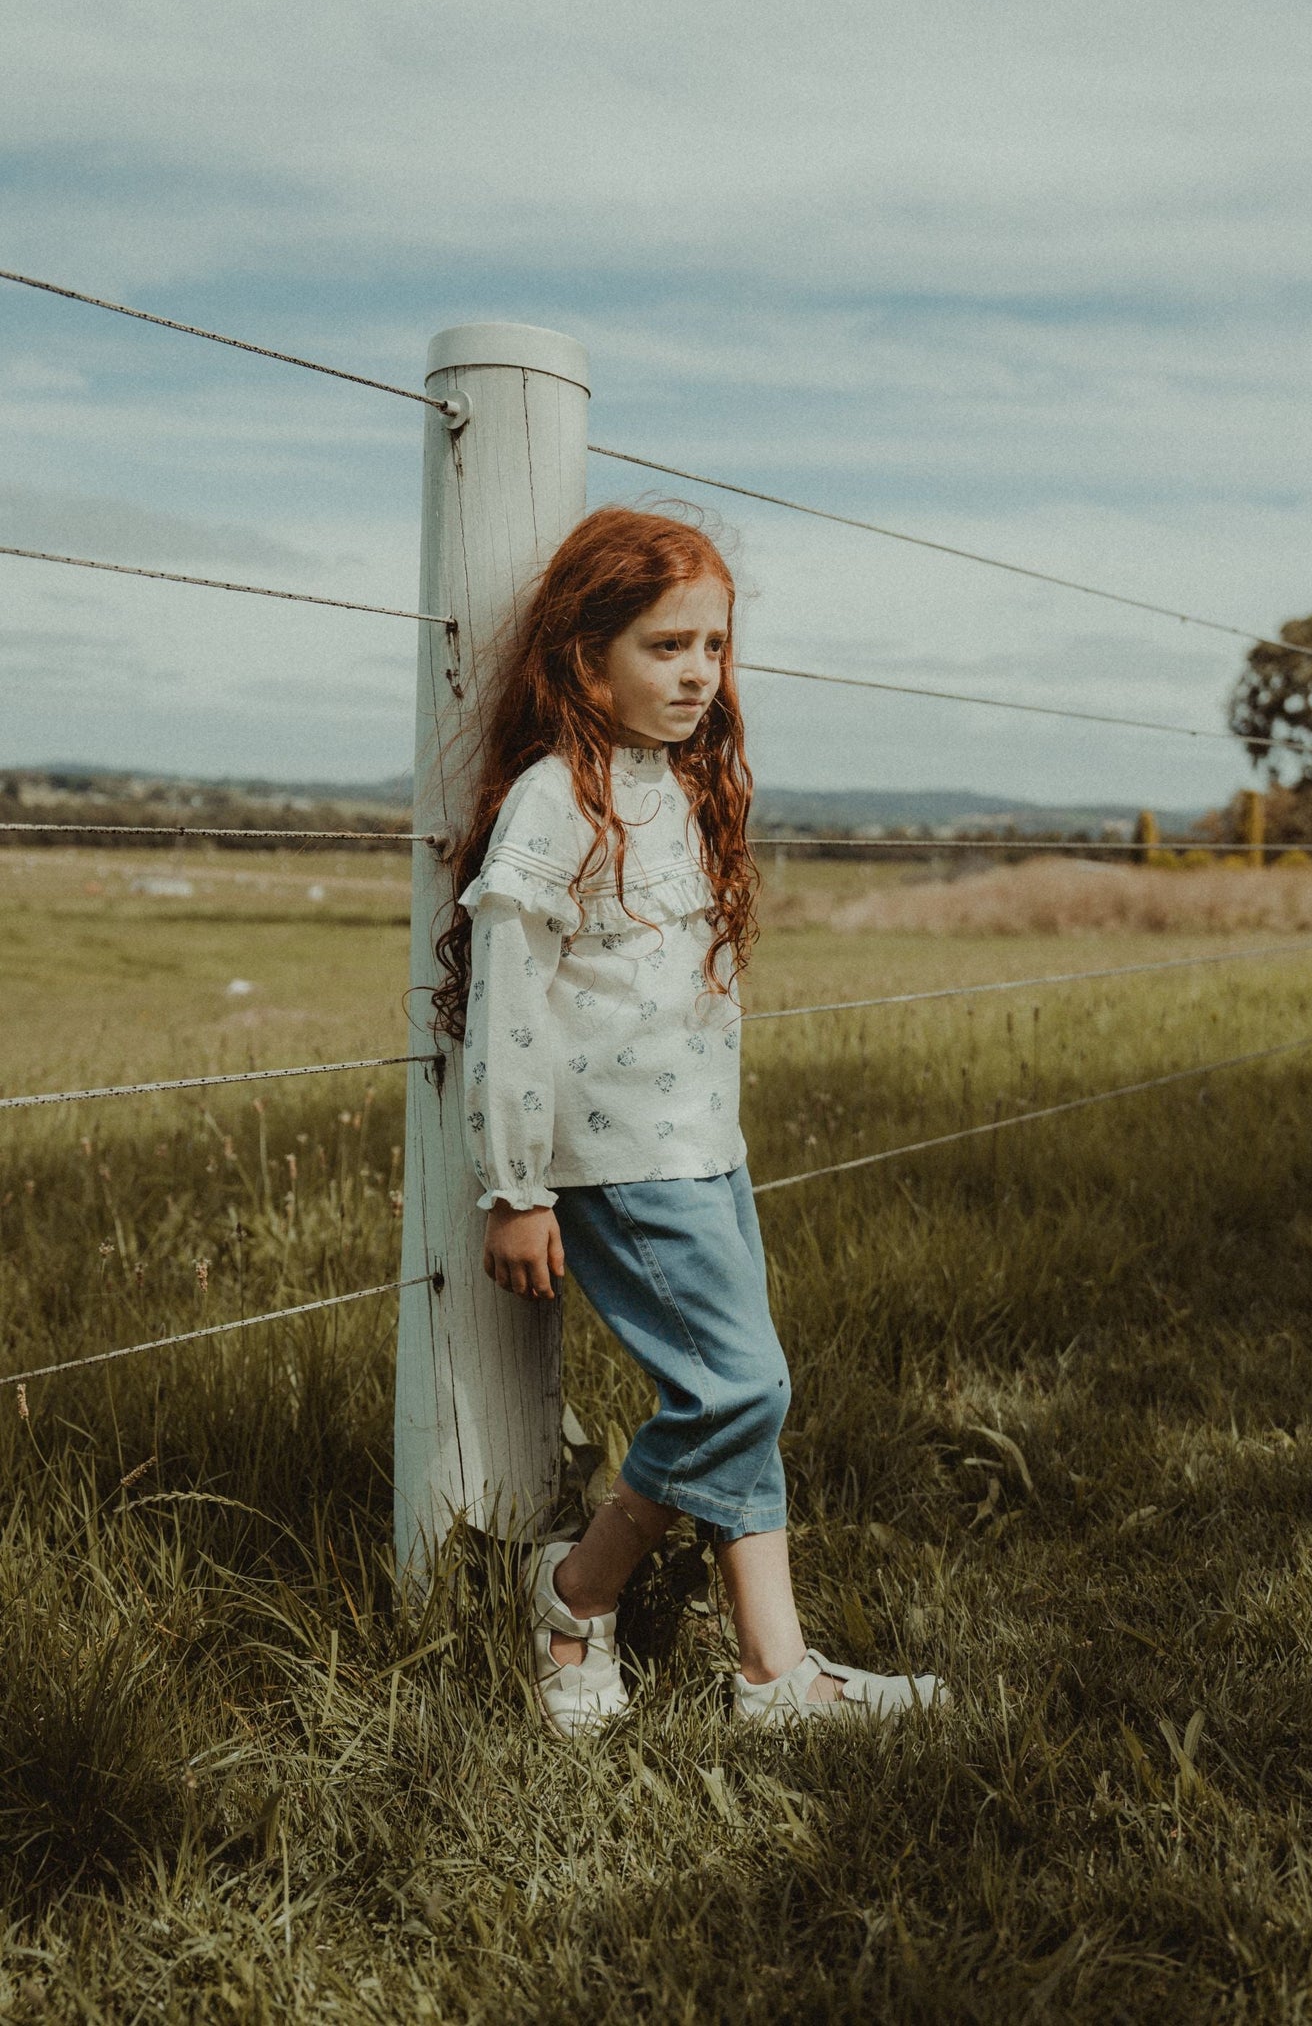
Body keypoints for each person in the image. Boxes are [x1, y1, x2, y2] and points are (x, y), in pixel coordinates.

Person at [432, 505, 947, 1738]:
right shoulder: (558, 801)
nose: (697, 674)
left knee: (740, 1391)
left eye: (712, 646)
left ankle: (777, 1673)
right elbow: (508, 1006)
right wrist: (514, 1186)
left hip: (705, 1153)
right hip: (613, 1163)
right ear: (583, 654)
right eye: (665, 646)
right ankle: (572, 1593)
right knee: (737, 1389)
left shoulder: (678, 784)